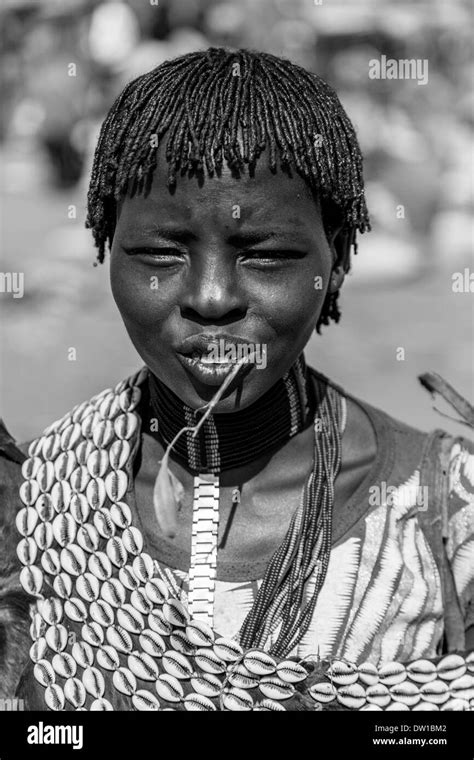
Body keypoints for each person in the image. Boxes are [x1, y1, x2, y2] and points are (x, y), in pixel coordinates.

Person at [1, 48, 473, 712]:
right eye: (160, 254)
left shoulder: (446, 516)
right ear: (106, 246)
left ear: (336, 258)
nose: (213, 297)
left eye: (269, 255)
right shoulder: (33, 501)